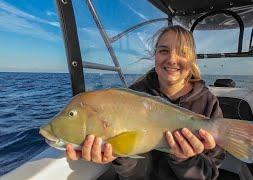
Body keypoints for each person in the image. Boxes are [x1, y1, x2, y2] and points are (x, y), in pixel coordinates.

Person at [66, 25, 225, 180]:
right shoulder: (132, 95)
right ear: (155, 55)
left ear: (192, 60)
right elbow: (131, 173)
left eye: (182, 53)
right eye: (164, 51)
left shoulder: (208, 103)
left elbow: (209, 174)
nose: (171, 59)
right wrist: (116, 153)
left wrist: (185, 159)